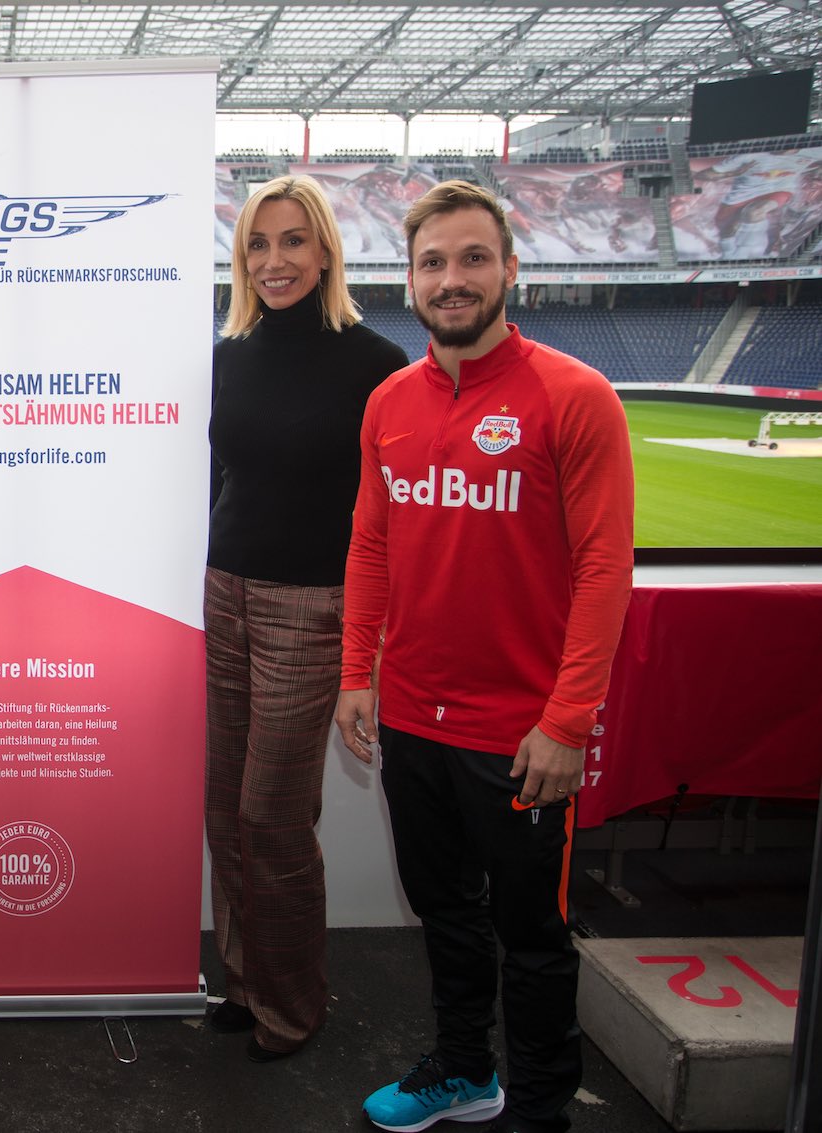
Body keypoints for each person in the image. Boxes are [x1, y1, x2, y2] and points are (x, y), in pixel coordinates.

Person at [334, 180, 634, 1133]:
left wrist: (567, 721)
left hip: (523, 732)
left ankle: (541, 1111)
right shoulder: (389, 402)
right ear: (409, 279)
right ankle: (465, 1070)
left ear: (510, 268)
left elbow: (604, 569)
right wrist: (355, 671)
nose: (451, 279)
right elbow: (371, 546)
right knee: (446, 912)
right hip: (413, 715)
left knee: (534, 936)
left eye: (472, 259)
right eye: (432, 263)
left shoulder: (575, 396)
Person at [204, 175, 408, 1062]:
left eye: (292, 240)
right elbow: (224, 480)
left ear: (326, 250)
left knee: (273, 816)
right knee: (225, 810)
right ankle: (245, 982)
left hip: (313, 609)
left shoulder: (378, 365)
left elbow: (391, 519)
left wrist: (369, 641)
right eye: (257, 243)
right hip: (223, 593)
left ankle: (293, 1004)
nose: (274, 260)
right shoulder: (229, 356)